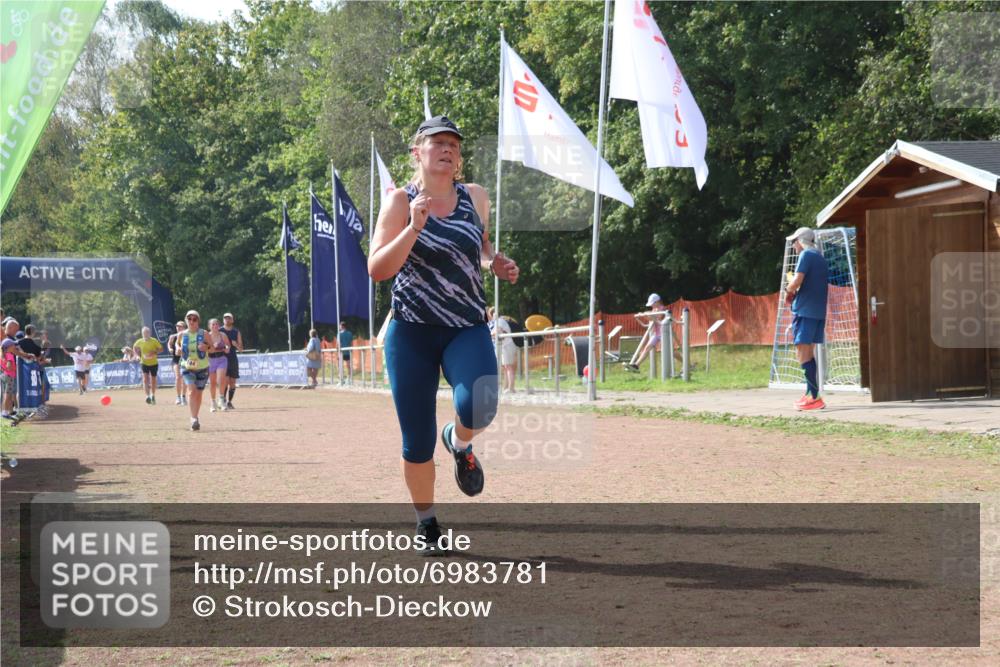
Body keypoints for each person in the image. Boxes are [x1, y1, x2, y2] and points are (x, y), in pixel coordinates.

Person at [368, 115, 519, 556]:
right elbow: (378, 269)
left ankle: (460, 441)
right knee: (416, 441)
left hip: (465, 325)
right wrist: (413, 228)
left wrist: (495, 263)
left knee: (482, 402)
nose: (447, 149)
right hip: (411, 332)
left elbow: (481, 245)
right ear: (418, 152)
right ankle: (427, 523)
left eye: (453, 143)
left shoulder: (475, 197)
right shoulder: (400, 202)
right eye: (437, 142)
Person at [784, 227, 829, 411]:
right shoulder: (820, 257)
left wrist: (788, 291)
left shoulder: (806, 256)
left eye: (794, 241)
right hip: (818, 312)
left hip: (805, 311)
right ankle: (811, 393)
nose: (794, 245)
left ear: (800, 241)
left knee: (802, 352)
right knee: (808, 352)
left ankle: (814, 396)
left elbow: (797, 281)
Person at [175, 310, 211, 431]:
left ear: (198, 321)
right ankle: (193, 419)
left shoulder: (204, 333)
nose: (191, 321)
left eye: (194, 319)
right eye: (189, 319)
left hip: (202, 367)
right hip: (187, 366)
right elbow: (176, 345)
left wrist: (206, 347)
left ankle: (195, 416)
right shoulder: (182, 334)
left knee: (199, 393)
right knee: (191, 390)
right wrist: (178, 349)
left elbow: (213, 349)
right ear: (186, 320)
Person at [626, 293, 675, 371]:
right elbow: (651, 318)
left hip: (664, 333)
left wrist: (646, 315)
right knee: (647, 348)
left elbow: (657, 318)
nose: (651, 306)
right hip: (656, 334)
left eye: (652, 304)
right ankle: (636, 365)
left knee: (672, 352)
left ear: (657, 302)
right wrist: (643, 315)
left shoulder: (663, 309)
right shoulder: (654, 310)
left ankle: (687, 364)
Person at [487, 307, 517, 392]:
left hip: (507, 346)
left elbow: (497, 332)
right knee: (505, 367)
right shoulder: (499, 321)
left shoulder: (499, 321)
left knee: (509, 367)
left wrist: (489, 335)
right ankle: (506, 387)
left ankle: (511, 388)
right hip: (504, 346)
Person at [206, 318, 231, 412]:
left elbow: (228, 345)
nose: (215, 326)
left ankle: (221, 400)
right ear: (209, 326)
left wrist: (227, 348)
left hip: (222, 359)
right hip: (211, 360)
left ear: (219, 325)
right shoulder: (207, 336)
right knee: (212, 383)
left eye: (216, 324)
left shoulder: (223, 335)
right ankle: (213, 402)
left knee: (221, 380)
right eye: (213, 324)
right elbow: (204, 349)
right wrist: (212, 347)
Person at [133, 326, 163, 405]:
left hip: (154, 363)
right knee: (145, 379)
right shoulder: (139, 341)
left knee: (153, 380)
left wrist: (154, 352)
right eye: (144, 333)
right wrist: (137, 355)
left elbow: (161, 349)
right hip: (144, 363)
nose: (145, 334)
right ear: (142, 334)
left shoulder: (154, 341)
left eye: (147, 333)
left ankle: (153, 395)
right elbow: (134, 347)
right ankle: (147, 396)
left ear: (149, 333)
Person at [220, 312, 243, 409]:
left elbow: (241, 349)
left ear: (232, 320)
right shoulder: (219, 330)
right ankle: (223, 400)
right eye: (225, 318)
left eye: (229, 318)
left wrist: (236, 345)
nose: (227, 320)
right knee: (225, 381)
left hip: (233, 358)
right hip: (222, 358)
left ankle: (229, 401)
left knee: (232, 382)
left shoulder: (236, 331)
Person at [167, 320, 186, 405]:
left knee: (185, 378)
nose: (178, 327)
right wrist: (170, 348)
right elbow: (169, 344)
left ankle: (183, 397)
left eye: (180, 326)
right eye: (177, 326)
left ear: (184, 327)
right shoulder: (173, 336)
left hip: (186, 359)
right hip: (176, 360)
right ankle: (178, 397)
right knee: (178, 377)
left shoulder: (187, 335)